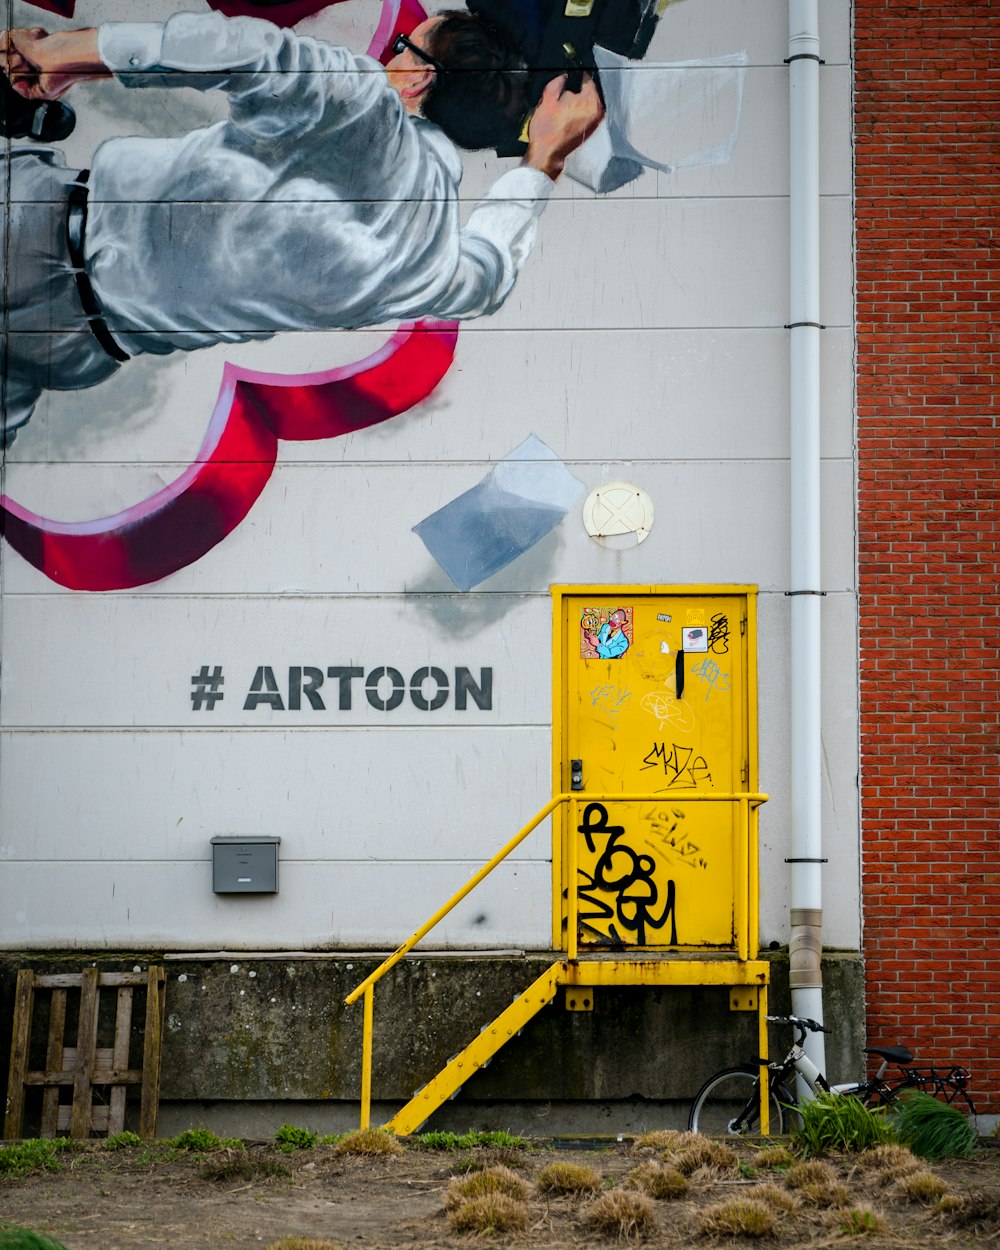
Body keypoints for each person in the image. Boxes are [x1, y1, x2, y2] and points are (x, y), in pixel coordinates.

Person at [0, 10, 603, 443]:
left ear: (417, 78)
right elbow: (491, 274)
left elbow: (243, 51)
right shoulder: (428, 265)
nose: (386, 55)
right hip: (77, 351)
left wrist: (68, 55)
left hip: (32, 230)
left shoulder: (363, 101)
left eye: (401, 45)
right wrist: (544, 157)